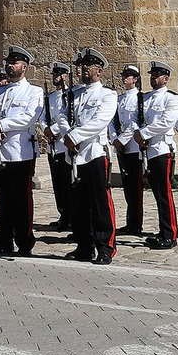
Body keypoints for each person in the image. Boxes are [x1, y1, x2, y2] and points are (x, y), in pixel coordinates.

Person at [0, 46, 44, 255]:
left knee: (21, 199)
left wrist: (1, 125)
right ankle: (4, 239)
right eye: (8, 63)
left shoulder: (34, 92)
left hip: (20, 151)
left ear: (24, 67)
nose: (9, 66)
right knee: (3, 198)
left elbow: (28, 117)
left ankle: (25, 242)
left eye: (14, 63)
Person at [63, 48, 119, 264]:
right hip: (74, 154)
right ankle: (84, 246)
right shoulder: (74, 94)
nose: (85, 68)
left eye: (90, 65)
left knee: (100, 202)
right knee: (78, 204)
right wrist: (68, 135)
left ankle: (106, 247)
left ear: (99, 71)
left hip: (94, 152)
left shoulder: (107, 94)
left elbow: (100, 121)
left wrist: (74, 136)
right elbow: (62, 117)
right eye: (83, 65)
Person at [138, 62, 178, 249]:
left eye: (157, 75)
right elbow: (138, 119)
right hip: (148, 151)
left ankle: (170, 234)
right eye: (152, 75)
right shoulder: (145, 98)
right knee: (157, 193)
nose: (153, 78)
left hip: (162, 149)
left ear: (166, 79)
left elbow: (166, 122)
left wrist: (144, 134)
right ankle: (163, 231)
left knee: (164, 194)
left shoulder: (171, 98)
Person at [112, 65, 145, 237]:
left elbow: (135, 123)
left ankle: (136, 223)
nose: (124, 79)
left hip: (133, 146)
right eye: (123, 76)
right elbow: (112, 121)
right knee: (127, 186)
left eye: (128, 76)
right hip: (121, 147)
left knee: (135, 187)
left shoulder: (139, 98)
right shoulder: (119, 99)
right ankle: (130, 221)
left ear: (135, 79)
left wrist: (122, 140)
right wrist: (114, 139)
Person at [43, 60, 75, 230]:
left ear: (65, 76)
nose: (56, 77)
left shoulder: (70, 95)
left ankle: (72, 215)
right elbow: (43, 117)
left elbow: (68, 118)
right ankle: (63, 214)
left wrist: (53, 130)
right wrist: (45, 129)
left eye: (59, 74)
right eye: (54, 74)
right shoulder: (49, 98)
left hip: (64, 144)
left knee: (68, 183)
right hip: (53, 146)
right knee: (57, 183)